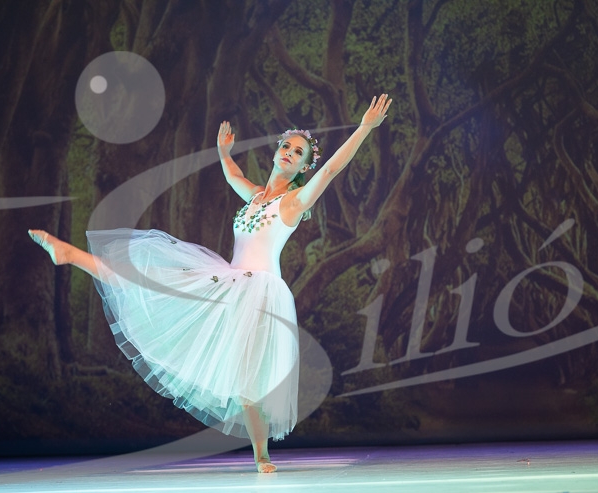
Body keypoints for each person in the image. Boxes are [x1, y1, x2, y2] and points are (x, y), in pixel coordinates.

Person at [29, 93, 392, 473]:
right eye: (286, 146)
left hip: (260, 292)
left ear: (303, 167)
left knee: (248, 377)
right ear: (276, 152)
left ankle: (261, 455)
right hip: (229, 281)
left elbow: (330, 170)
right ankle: (70, 255)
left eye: (298, 153)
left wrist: (364, 129)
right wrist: (224, 153)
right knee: (151, 280)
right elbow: (234, 177)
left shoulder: (295, 202)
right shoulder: (256, 196)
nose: (289, 153)